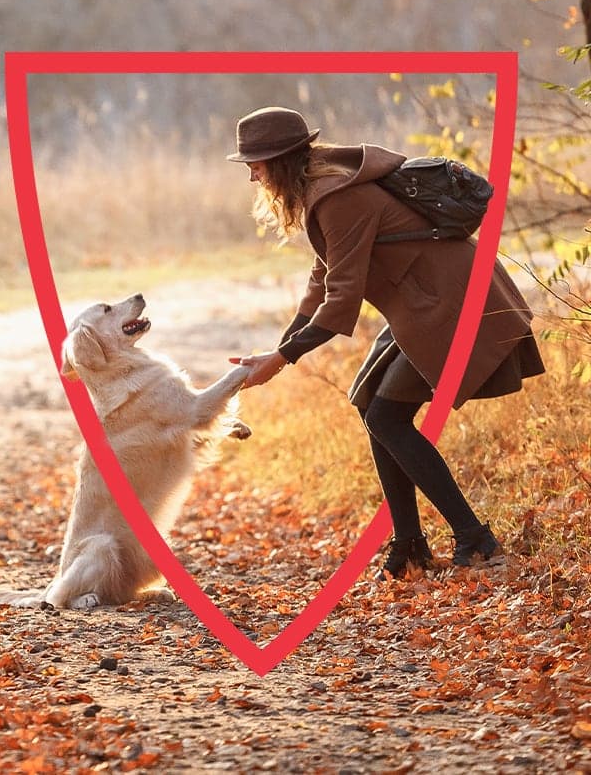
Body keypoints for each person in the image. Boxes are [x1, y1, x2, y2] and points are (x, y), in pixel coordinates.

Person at [225, 106, 544, 579]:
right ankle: (411, 545)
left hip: (450, 300)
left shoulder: (336, 197)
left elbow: (343, 297)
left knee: (385, 416)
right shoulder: (323, 190)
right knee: (373, 404)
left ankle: (476, 541)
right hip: (424, 301)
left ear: (281, 160)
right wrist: (280, 345)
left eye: (257, 163)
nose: (252, 175)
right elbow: (324, 275)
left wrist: (283, 359)